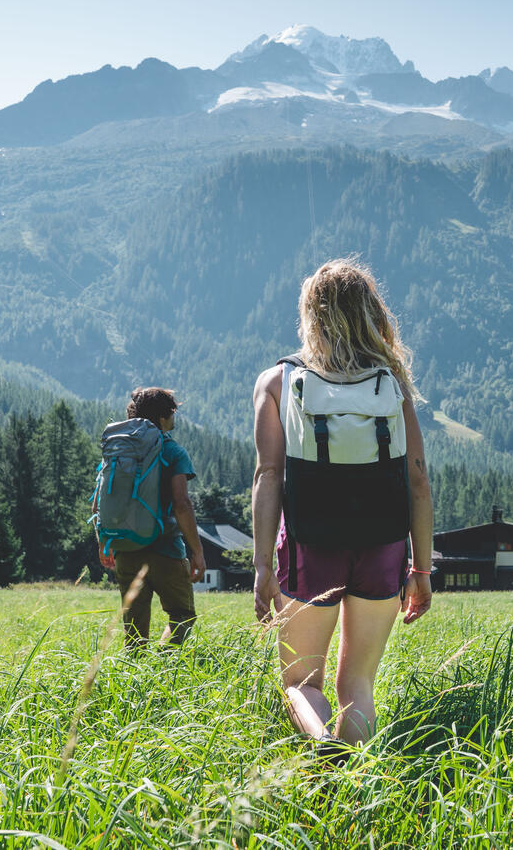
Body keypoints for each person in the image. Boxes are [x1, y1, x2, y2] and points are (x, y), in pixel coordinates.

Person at [251, 260, 434, 748]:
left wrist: (262, 565)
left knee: (300, 683)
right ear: (371, 313)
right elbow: (418, 482)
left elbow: (269, 476)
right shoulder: (392, 384)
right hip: (383, 547)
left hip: (311, 545)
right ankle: (354, 783)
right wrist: (422, 569)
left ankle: (320, 747)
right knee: (358, 684)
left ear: (311, 315)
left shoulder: (276, 382)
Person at [111, 386, 206, 646]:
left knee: (134, 628)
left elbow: (101, 501)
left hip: (126, 549)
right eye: (172, 412)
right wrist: (197, 551)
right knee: (182, 615)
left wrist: (104, 542)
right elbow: (182, 503)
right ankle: (163, 666)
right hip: (166, 549)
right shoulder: (173, 452)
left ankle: (136, 679)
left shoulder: (119, 451)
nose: (174, 417)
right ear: (163, 417)